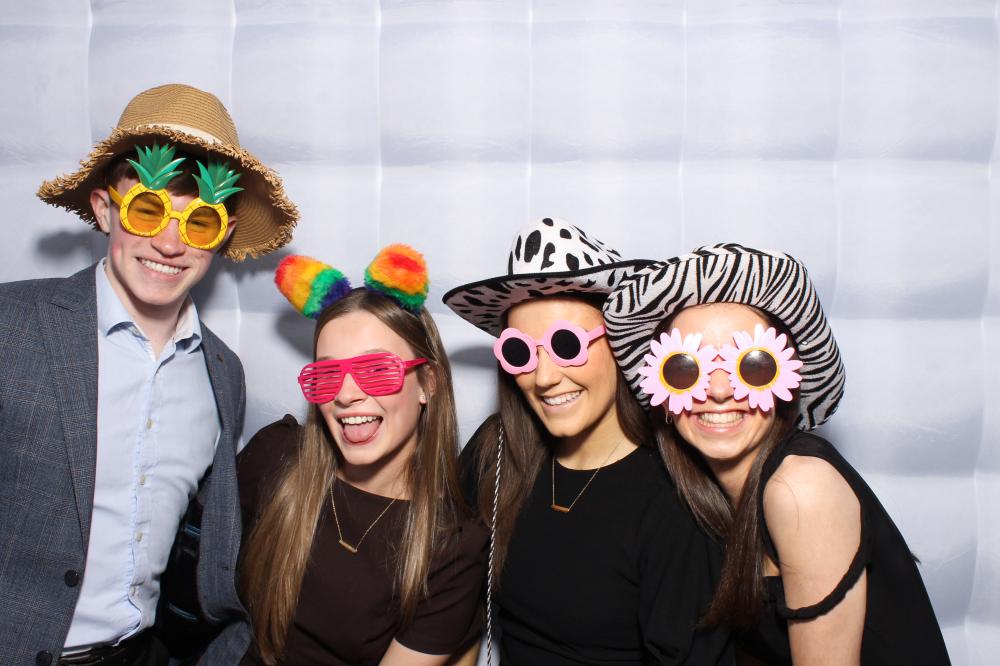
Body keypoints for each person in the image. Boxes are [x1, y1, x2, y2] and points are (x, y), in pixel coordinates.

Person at [0, 84, 298, 665]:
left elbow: (206, 557)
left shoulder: (223, 375)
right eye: (147, 210)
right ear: (104, 208)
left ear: (223, 236)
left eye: (199, 222)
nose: (169, 243)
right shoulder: (12, 325)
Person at [602, 243, 951, 665]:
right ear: (661, 391)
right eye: (685, 369)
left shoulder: (800, 488)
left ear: (786, 378)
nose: (718, 390)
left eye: (752, 366)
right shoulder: (699, 500)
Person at [443, 217, 733, 665]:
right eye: (520, 352)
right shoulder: (495, 453)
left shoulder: (674, 499)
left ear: (621, 343)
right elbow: (449, 606)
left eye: (566, 344)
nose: (543, 377)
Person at [238, 246, 487, 666]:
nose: (347, 394)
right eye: (327, 374)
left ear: (428, 383)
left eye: (377, 370)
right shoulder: (273, 457)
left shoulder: (452, 548)